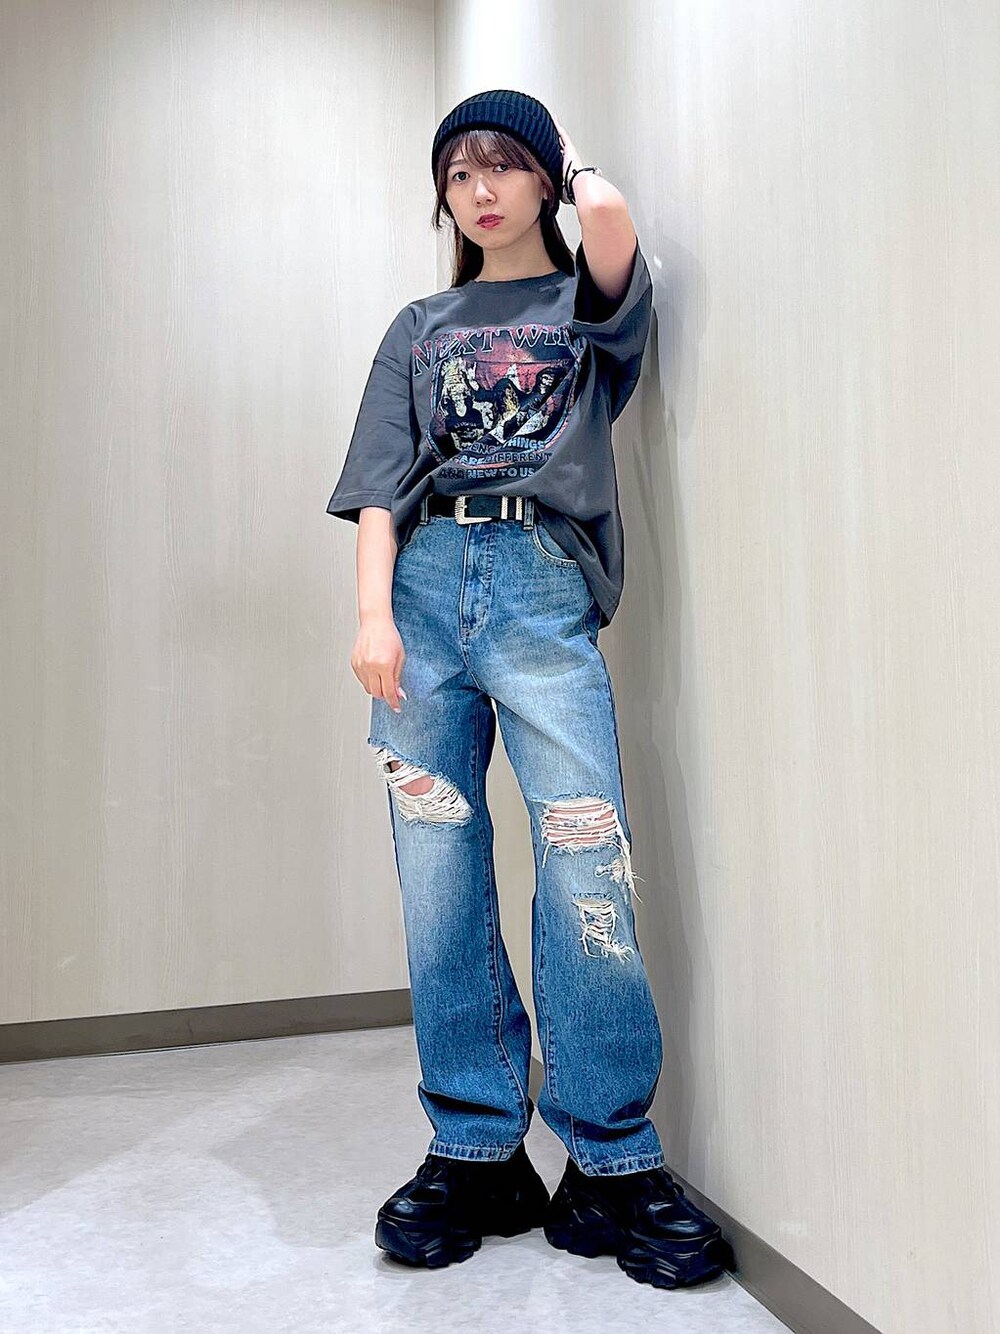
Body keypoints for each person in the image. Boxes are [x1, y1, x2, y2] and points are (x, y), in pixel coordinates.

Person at [326, 89, 734, 1290]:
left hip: (541, 584)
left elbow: (608, 222)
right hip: (422, 592)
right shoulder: (419, 325)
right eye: (458, 174)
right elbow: (378, 485)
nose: (480, 190)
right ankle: (476, 1148)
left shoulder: (585, 309)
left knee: (584, 855)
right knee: (438, 873)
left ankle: (610, 1156)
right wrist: (369, 615)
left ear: (543, 174)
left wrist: (563, 152)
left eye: (501, 164)